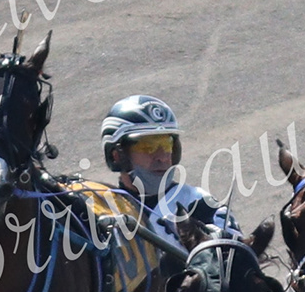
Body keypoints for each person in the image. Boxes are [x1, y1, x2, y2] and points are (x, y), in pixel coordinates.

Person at [98, 93, 231, 249]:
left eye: (167, 144)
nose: (162, 157)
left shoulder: (201, 205)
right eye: (147, 146)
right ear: (118, 156)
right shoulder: (100, 213)